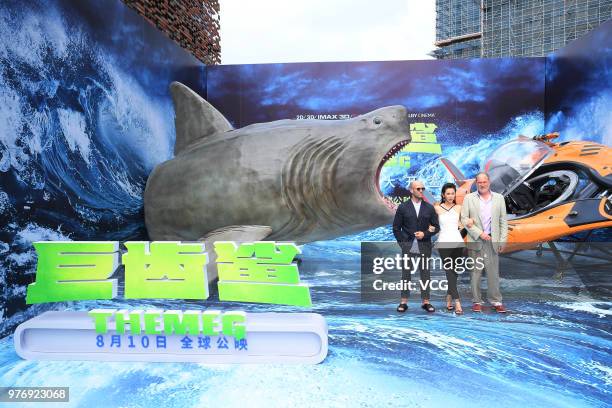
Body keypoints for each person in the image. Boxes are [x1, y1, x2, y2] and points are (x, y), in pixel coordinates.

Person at [460, 172, 509, 313]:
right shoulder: (469, 198)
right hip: (475, 240)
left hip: (493, 241)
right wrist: (479, 233)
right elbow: (464, 219)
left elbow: (503, 222)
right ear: (476, 183)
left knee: (493, 273)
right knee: (475, 273)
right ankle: (477, 301)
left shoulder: (499, 198)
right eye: (479, 182)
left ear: (489, 182)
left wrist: (502, 241)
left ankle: (496, 301)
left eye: (484, 182)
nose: (482, 184)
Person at [392, 180, 440, 313]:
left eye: (423, 189)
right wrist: (403, 244)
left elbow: (436, 228)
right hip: (408, 246)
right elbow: (396, 228)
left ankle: (426, 302)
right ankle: (403, 302)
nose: (421, 191)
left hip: (424, 245)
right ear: (411, 190)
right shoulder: (403, 207)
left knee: (425, 274)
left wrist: (424, 234)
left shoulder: (429, 208)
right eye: (418, 189)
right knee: (406, 274)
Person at [433, 183, 470, 315]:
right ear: (443, 194)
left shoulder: (459, 208)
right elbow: (433, 225)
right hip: (443, 243)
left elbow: (461, 224)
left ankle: (448, 298)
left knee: (454, 274)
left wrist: (467, 224)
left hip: (458, 243)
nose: (450, 196)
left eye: (452, 193)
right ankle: (457, 302)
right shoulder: (437, 208)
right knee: (449, 273)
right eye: (448, 193)